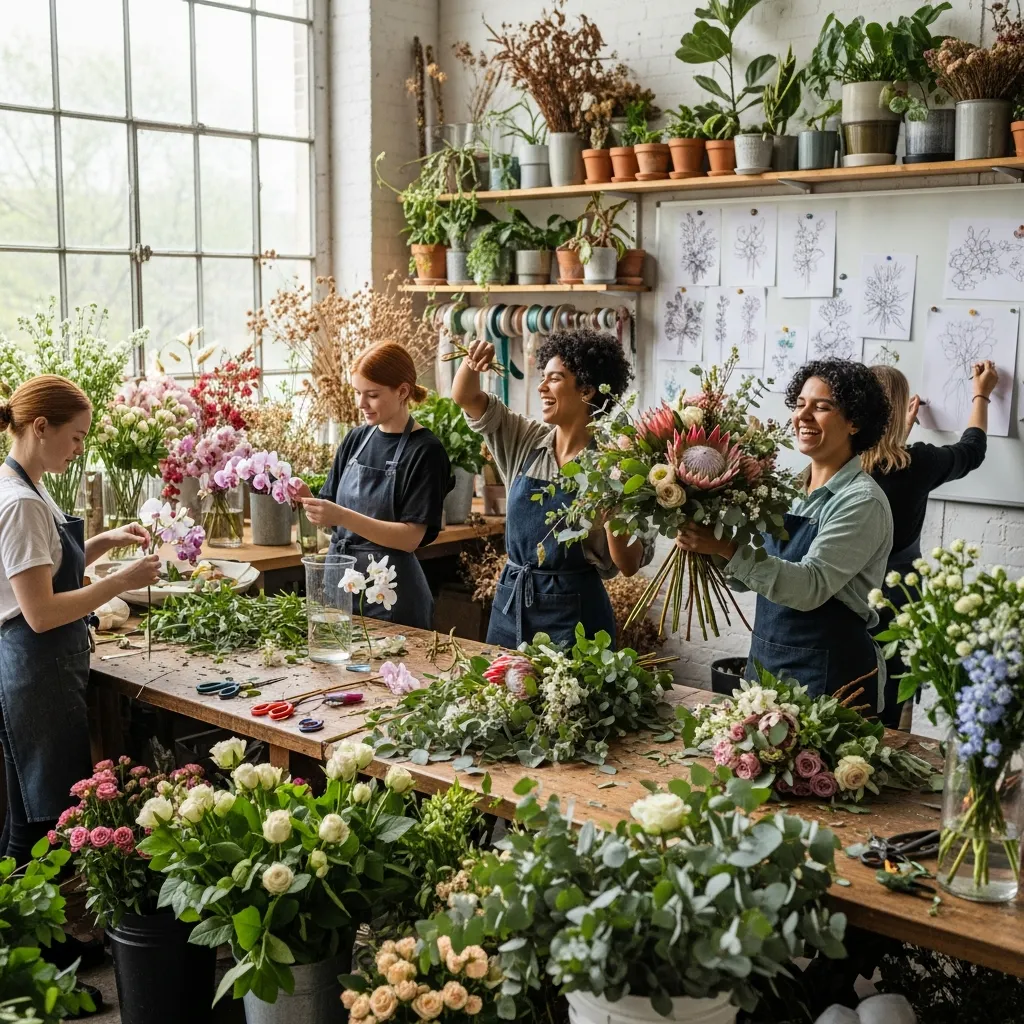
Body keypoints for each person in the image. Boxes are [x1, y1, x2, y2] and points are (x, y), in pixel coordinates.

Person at [0, 376, 160, 865]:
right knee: (44, 824)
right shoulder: (21, 503)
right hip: (34, 670)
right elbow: (41, 612)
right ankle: (34, 936)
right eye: (76, 437)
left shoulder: (28, 487)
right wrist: (120, 582)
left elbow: (43, 571)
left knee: (31, 819)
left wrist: (105, 542)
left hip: (42, 668)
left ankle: (26, 932)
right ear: (41, 427)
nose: (80, 449)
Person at [676, 359, 893, 703]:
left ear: (854, 422)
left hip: (831, 680)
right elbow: (751, 572)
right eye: (800, 404)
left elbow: (810, 586)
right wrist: (708, 546)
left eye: (822, 407)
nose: (803, 416)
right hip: (766, 664)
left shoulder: (862, 502)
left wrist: (727, 548)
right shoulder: (788, 491)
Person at [451, 329, 646, 649]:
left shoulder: (613, 464)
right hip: (511, 605)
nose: (541, 387)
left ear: (586, 390)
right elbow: (466, 397)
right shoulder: (525, 438)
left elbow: (628, 563)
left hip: (576, 620)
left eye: (554, 379)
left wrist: (614, 503)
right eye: (543, 377)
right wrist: (472, 364)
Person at [864, 360, 997, 727]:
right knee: (889, 693)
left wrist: (897, 433)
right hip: (896, 598)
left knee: (853, 688)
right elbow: (972, 450)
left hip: (844, 601)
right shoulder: (916, 463)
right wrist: (981, 394)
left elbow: (880, 462)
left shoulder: (836, 465)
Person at [297, 342, 452, 630]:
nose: (360, 404)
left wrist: (341, 516)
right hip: (341, 584)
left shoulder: (426, 452)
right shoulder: (356, 439)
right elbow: (333, 523)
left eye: (372, 395)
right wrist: (307, 501)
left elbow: (409, 539)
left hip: (391, 595)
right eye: (357, 393)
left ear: (402, 391)